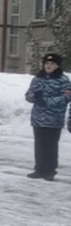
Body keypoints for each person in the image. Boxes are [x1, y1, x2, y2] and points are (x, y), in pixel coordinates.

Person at [26, 53, 71, 181]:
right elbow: (29, 94)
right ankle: (39, 169)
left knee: (51, 146)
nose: (49, 66)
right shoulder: (38, 78)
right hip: (38, 118)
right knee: (39, 145)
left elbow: (66, 97)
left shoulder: (63, 80)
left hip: (54, 119)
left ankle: (50, 171)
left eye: (52, 64)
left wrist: (45, 101)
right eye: (47, 64)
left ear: (57, 65)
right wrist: (35, 98)